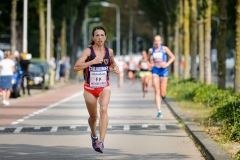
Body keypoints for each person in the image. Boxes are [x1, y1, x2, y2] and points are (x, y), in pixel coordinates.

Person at [73, 26, 119, 153]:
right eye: (97, 35)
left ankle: (101, 142)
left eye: (102, 35)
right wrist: (92, 62)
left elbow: (113, 63)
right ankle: (94, 136)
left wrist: (116, 67)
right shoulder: (88, 51)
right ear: (93, 38)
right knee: (93, 117)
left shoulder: (109, 51)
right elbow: (76, 67)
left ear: (105, 37)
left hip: (104, 87)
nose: (100, 37)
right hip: (89, 89)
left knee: (103, 110)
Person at [148, 35, 175, 118]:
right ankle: (159, 110)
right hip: (155, 70)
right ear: (154, 41)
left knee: (162, 92)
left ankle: (163, 95)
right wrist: (150, 64)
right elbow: (149, 59)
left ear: (161, 41)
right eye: (155, 41)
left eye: (158, 41)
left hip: (163, 70)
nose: (157, 42)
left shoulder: (164, 49)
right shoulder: (151, 50)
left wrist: (166, 64)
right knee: (156, 90)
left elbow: (173, 57)